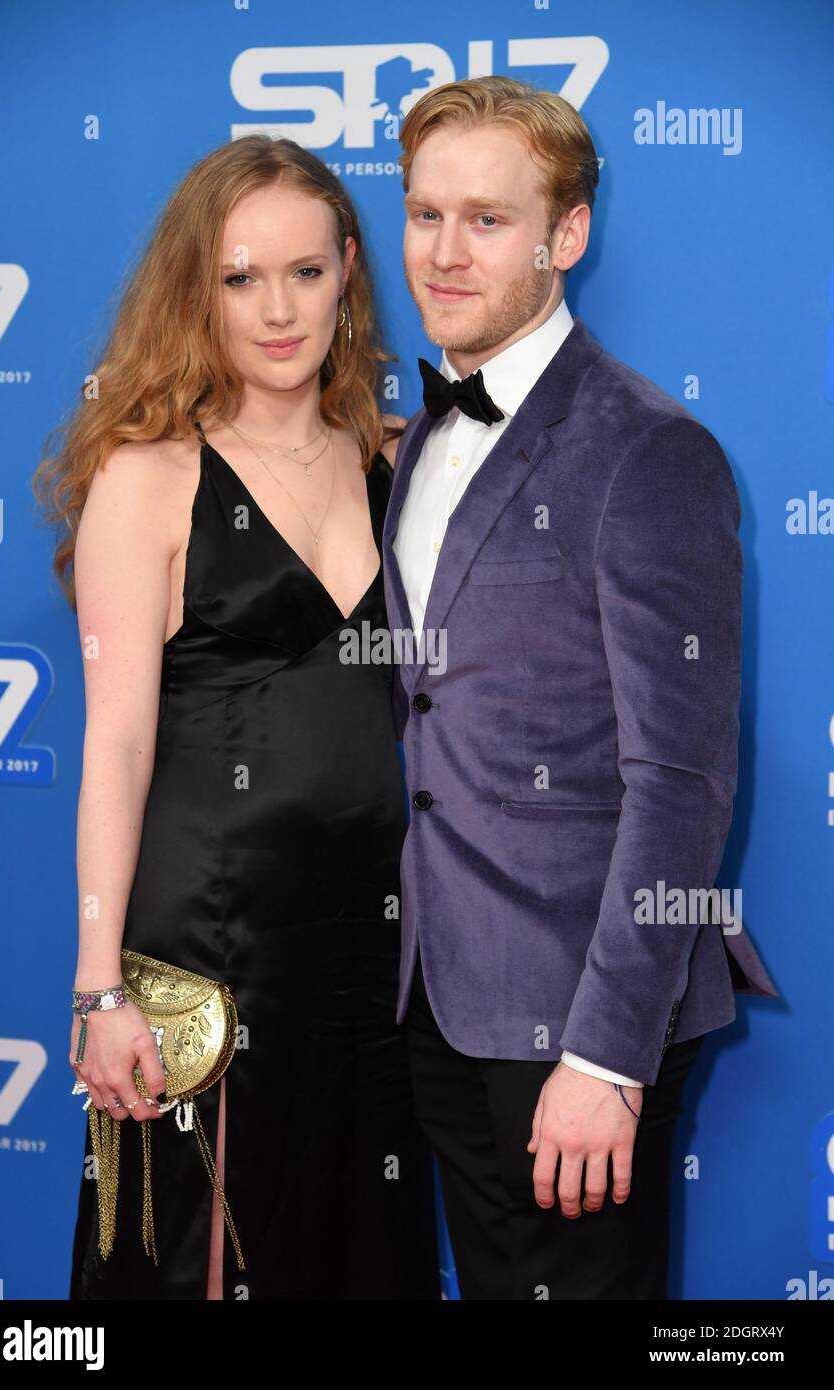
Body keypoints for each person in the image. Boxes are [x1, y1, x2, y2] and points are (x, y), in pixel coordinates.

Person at [383, 76, 778, 1300]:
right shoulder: (413, 436)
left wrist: (606, 1058)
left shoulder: (646, 450)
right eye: (422, 213)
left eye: (488, 221)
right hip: (437, 997)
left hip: (577, 1016)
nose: (443, 255)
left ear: (567, 236)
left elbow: (679, 781)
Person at [35, 133, 439, 1300]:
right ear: (194, 290)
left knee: (354, 1249)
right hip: (211, 950)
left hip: (372, 949)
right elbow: (113, 741)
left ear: (349, 270)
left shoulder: (393, 462)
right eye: (239, 277)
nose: (277, 310)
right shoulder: (148, 475)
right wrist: (98, 988)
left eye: (304, 273)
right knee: (194, 1263)